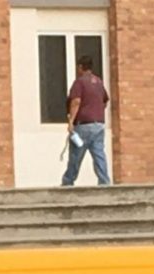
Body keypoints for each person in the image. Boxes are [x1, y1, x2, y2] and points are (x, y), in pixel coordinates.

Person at [62, 55, 110, 187]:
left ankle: (68, 182)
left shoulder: (80, 82)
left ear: (80, 67)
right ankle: (104, 182)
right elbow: (105, 101)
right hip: (98, 125)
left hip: (83, 126)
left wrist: (71, 121)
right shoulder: (99, 82)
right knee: (99, 154)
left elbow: (76, 101)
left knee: (76, 156)